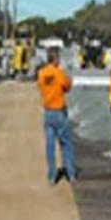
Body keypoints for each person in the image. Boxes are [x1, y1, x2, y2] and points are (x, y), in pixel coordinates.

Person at [37, 47, 76, 185]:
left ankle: (52, 176)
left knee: (50, 146)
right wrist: (68, 76)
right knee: (66, 143)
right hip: (59, 111)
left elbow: (41, 88)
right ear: (56, 59)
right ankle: (70, 173)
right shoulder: (58, 73)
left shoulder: (41, 74)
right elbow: (67, 87)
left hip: (48, 112)